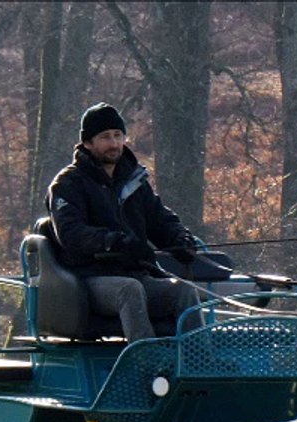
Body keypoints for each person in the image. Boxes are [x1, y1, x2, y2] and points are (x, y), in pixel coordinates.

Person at [46, 102, 203, 341]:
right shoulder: (68, 184)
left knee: (184, 291)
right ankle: (145, 358)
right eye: (105, 137)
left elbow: (160, 219)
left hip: (136, 274)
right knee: (129, 289)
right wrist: (115, 242)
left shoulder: (134, 181)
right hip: (88, 279)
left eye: (118, 135)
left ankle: (198, 357)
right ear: (87, 143)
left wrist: (179, 239)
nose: (114, 143)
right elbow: (71, 234)